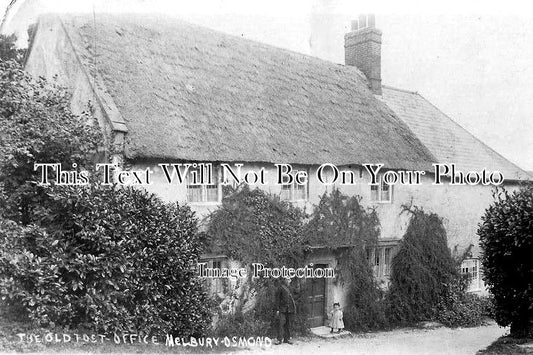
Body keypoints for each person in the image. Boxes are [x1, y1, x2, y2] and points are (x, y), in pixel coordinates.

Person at [274, 276, 296, 345]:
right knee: (281, 324)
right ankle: (279, 339)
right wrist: (277, 309)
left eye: (290, 280)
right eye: (288, 279)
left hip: (290, 310)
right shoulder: (280, 288)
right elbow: (277, 299)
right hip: (282, 309)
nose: (290, 281)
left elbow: (293, 298)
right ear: (285, 280)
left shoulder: (291, 288)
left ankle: (287, 339)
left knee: (288, 325)